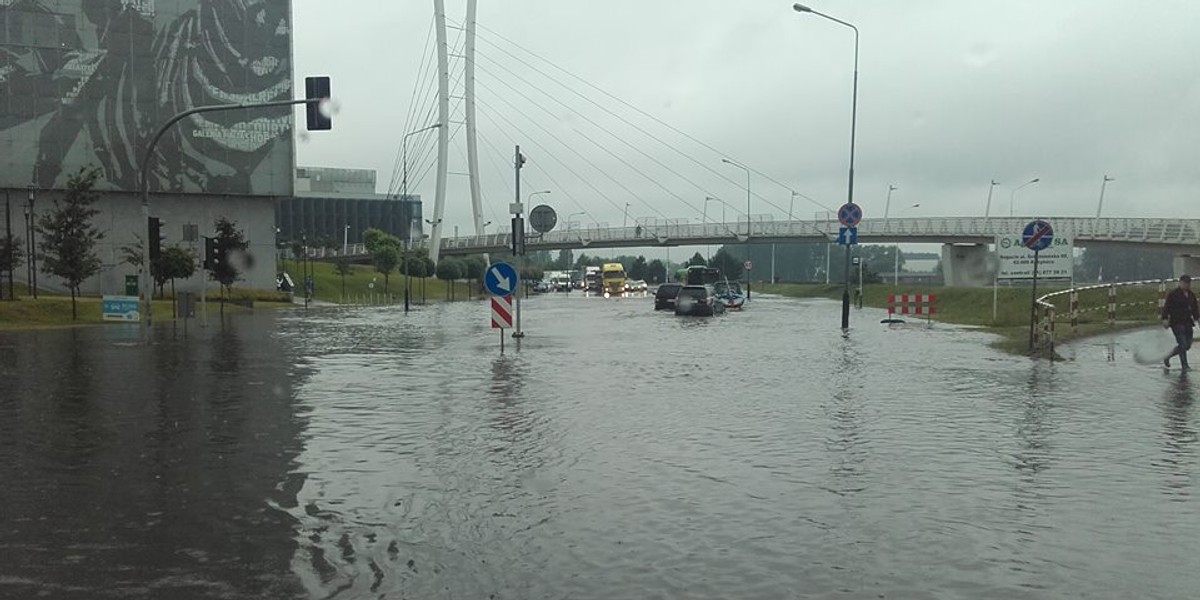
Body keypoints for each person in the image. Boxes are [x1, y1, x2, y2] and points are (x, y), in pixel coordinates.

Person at [1161, 274, 1200, 369]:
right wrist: (1165, 318)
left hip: (1188, 322)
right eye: (1184, 283)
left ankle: (1168, 356)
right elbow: (1167, 307)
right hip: (1176, 322)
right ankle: (1185, 365)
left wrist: (1198, 318)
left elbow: (1195, 309)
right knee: (1182, 344)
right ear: (1180, 283)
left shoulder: (1191, 295)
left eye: (1188, 283)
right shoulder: (1173, 294)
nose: (1186, 285)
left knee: (1187, 345)